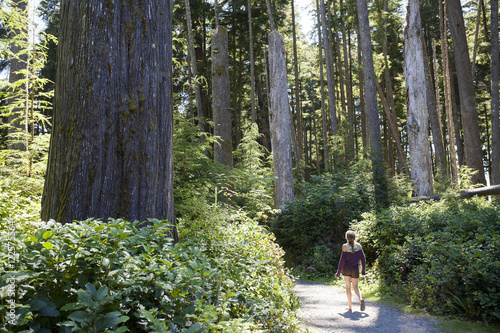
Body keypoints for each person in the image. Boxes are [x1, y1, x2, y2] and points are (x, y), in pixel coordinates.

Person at [336, 230, 366, 312]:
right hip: (355, 269)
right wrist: (363, 270)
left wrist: (338, 272)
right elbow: (363, 260)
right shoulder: (359, 246)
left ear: (346, 238)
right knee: (356, 287)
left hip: (346, 270)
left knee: (348, 287)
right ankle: (361, 299)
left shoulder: (344, 247)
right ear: (354, 237)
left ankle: (350, 306)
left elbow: (342, 261)